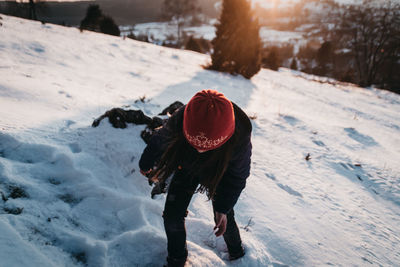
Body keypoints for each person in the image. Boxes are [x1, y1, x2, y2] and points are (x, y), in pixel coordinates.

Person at [139, 89, 252, 267]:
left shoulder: (239, 137)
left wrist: (222, 207)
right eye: (195, 143)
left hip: (219, 171)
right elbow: (162, 137)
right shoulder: (183, 116)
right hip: (187, 165)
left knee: (224, 216)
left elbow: (237, 176)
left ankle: (237, 254)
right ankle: (176, 260)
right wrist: (147, 161)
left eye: (206, 147)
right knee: (172, 215)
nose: (200, 150)